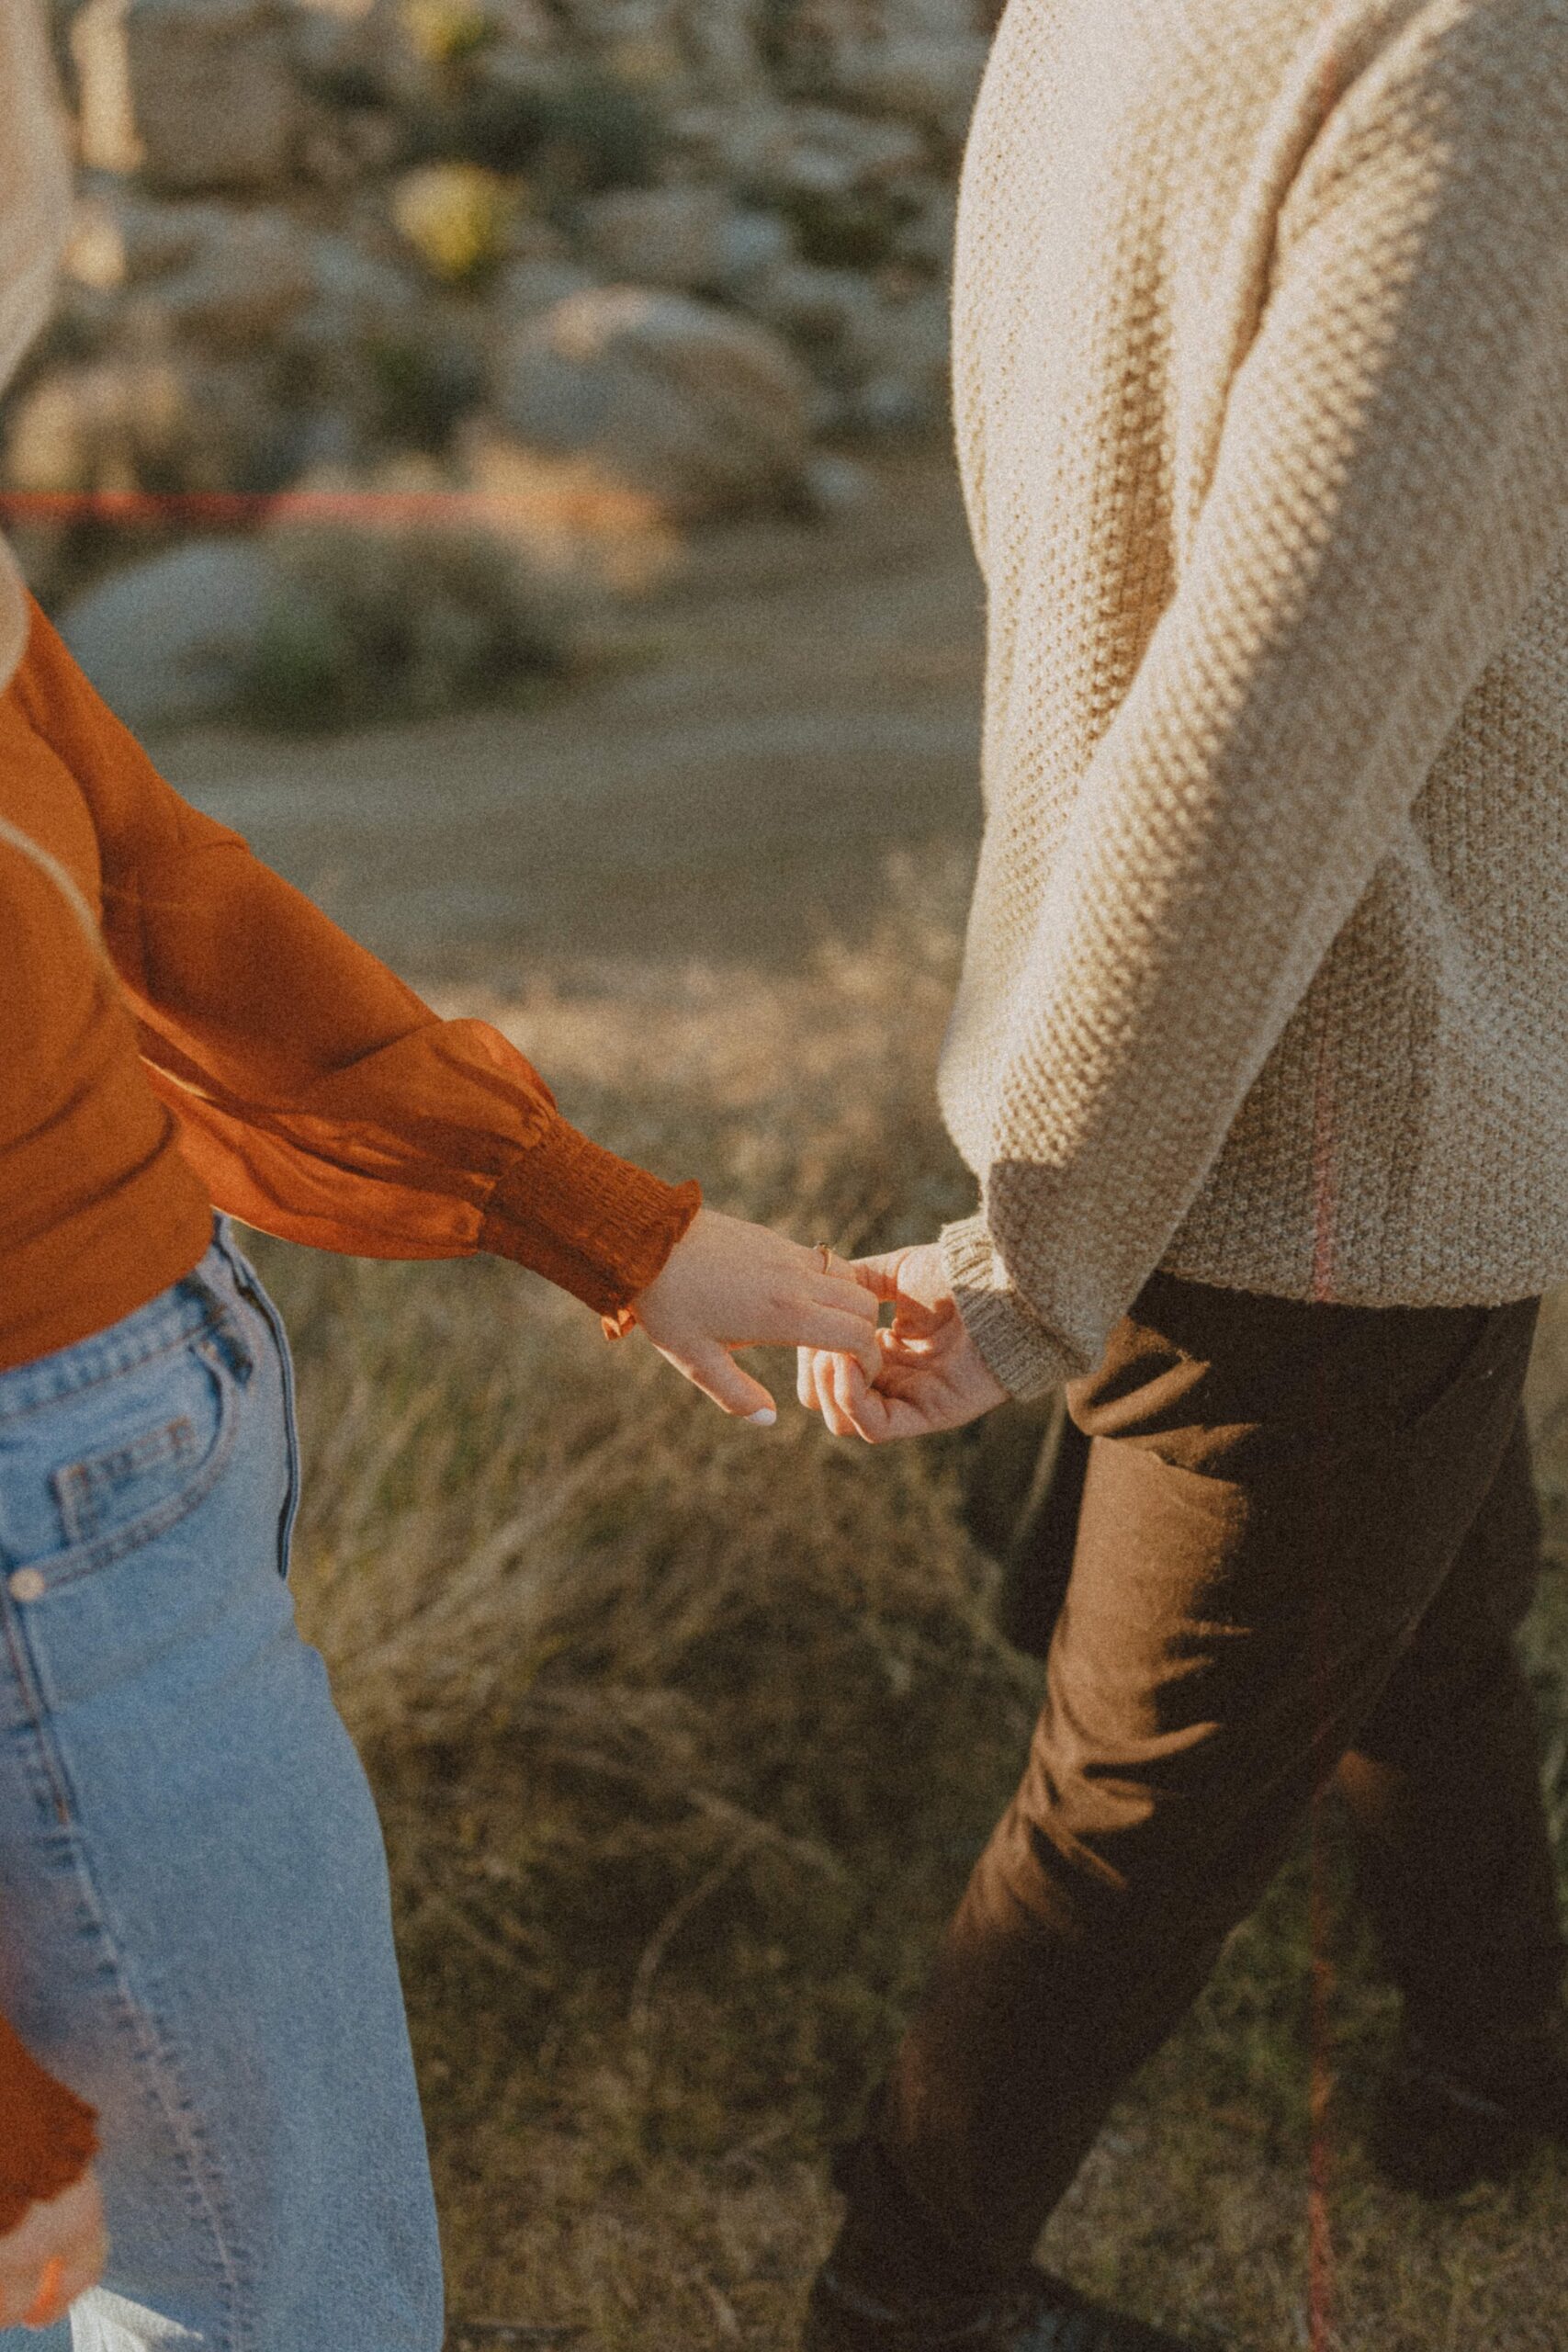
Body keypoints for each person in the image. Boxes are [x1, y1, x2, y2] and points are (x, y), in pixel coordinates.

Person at [0, 9, 880, 2344]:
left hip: (125, 1502)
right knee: (280, 2306)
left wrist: (613, 1222)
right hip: (45, 1561)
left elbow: (167, 896)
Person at [797, 2, 1568, 2346]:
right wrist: (1042, 1256)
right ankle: (900, 2297)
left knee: (1432, 1604)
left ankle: (1492, 2053)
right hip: (1325, 1128)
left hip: (1195, 1060)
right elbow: (1256, 744)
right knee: (1130, 1819)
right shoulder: (1475, 56)